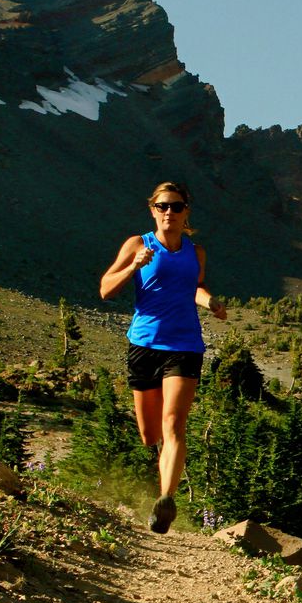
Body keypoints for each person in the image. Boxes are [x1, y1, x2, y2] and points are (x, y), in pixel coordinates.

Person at [100, 182, 227, 533]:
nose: (169, 212)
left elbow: (194, 288)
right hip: (144, 345)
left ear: (187, 212)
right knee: (149, 433)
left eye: (176, 206)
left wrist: (209, 302)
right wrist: (133, 266)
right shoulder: (138, 244)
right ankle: (162, 482)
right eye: (162, 206)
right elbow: (105, 289)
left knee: (173, 424)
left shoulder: (195, 252)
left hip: (185, 346)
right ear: (152, 209)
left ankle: (165, 500)